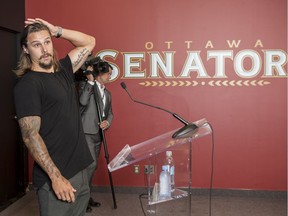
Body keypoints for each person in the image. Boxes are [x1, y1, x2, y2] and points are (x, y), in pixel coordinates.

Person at [13, 18, 95, 216]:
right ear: (26, 49)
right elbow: (30, 136)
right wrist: (56, 177)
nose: (44, 49)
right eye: (36, 45)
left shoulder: (64, 71)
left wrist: (56, 29)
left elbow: (89, 42)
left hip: (80, 170)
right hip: (57, 178)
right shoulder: (28, 85)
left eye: (47, 42)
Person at [78, 58, 113, 213]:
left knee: (92, 167)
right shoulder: (86, 86)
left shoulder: (108, 93)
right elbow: (82, 102)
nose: (110, 77)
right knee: (89, 166)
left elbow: (110, 113)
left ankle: (87, 196)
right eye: (108, 74)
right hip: (86, 132)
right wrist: (90, 83)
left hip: (99, 134)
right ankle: (82, 199)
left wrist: (107, 122)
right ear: (99, 74)